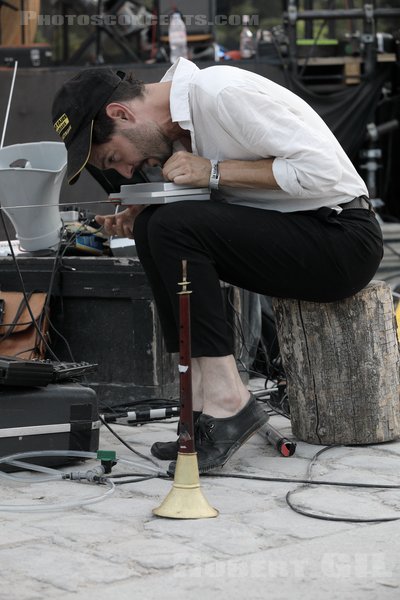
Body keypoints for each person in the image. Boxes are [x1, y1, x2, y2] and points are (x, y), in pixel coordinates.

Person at [51, 58, 383, 474]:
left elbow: (323, 172)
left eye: (114, 156)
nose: (125, 169)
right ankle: (203, 404)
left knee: (171, 227)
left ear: (121, 113)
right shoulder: (182, 118)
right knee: (154, 224)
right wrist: (154, 201)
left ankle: (230, 400)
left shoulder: (221, 93)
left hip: (342, 239)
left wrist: (212, 172)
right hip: (302, 229)